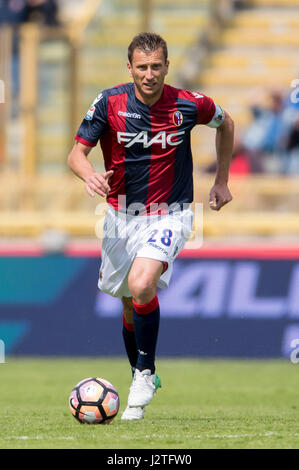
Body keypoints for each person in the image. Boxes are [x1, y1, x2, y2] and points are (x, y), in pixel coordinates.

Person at [67, 32, 234, 421]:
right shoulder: (110, 102)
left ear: (167, 67)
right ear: (130, 68)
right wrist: (89, 175)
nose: (149, 74)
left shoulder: (189, 104)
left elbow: (227, 124)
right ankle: (141, 370)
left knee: (142, 284)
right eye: (141, 67)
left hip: (170, 212)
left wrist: (222, 179)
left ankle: (144, 373)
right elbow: (76, 153)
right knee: (128, 300)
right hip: (119, 215)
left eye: (156, 66)